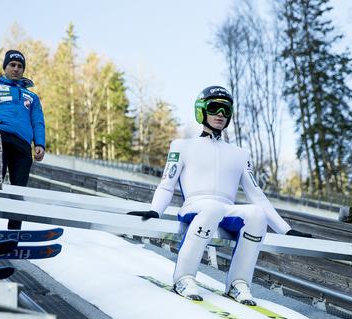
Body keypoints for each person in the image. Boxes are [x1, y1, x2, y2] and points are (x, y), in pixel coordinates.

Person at [129, 85, 310, 305]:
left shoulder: (240, 154)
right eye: (214, 108)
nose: (220, 115)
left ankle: (238, 283)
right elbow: (167, 184)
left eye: (226, 110)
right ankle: (184, 278)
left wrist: (286, 230)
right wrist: (155, 210)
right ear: (202, 111)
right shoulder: (181, 146)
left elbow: (258, 196)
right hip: (196, 206)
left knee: (255, 214)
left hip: (226, 209)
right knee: (212, 208)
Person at [0, 50, 46, 230]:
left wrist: (39, 144)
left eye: (20, 66)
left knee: (19, 188)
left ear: (23, 70)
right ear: (5, 67)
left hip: (23, 144)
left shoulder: (32, 97)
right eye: (12, 65)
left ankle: (14, 230)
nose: (16, 69)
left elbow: (38, 121)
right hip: (0, 136)